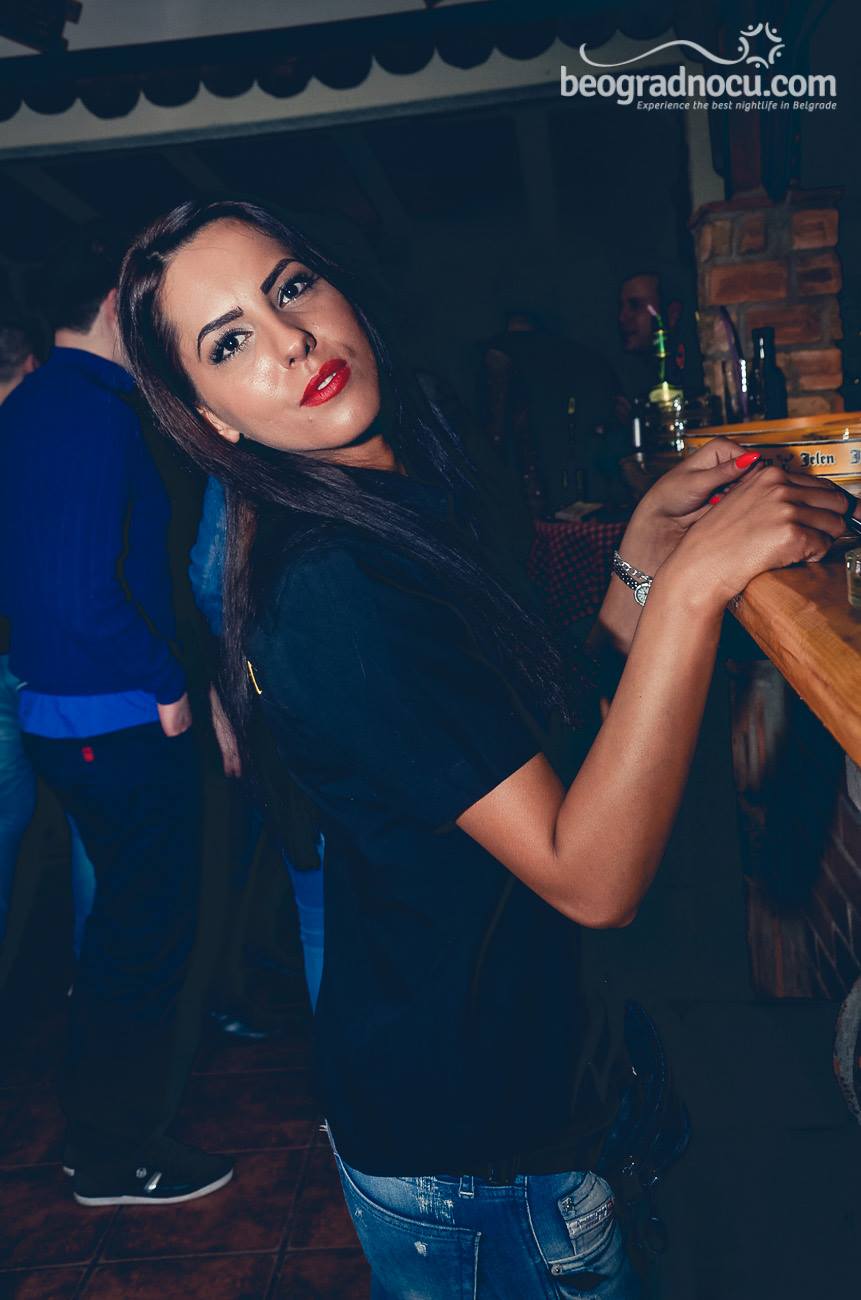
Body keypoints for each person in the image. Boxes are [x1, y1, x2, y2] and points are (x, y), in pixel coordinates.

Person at [117, 199, 853, 1297]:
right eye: (230, 343)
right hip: (474, 1158)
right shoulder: (329, 584)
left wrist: (643, 555)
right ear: (208, 418)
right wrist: (695, 589)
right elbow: (591, 876)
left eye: (290, 288)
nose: (292, 341)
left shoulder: (400, 497)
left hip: (517, 1084)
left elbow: (540, 736)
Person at [0, 231, 232, 1206]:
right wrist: (169, 682)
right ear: (111, 304)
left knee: (122, 936)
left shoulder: (32, 403)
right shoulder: (93, 410)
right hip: (115, 715)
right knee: (142, 940)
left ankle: (101, 1139)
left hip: (68, 711)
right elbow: (81, 591)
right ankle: (111, 1153)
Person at [0, 315, 96, 963]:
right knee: (96, 828)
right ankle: (92, 984)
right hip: (57, 658)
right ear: (33, 365)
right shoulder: (53, 435)